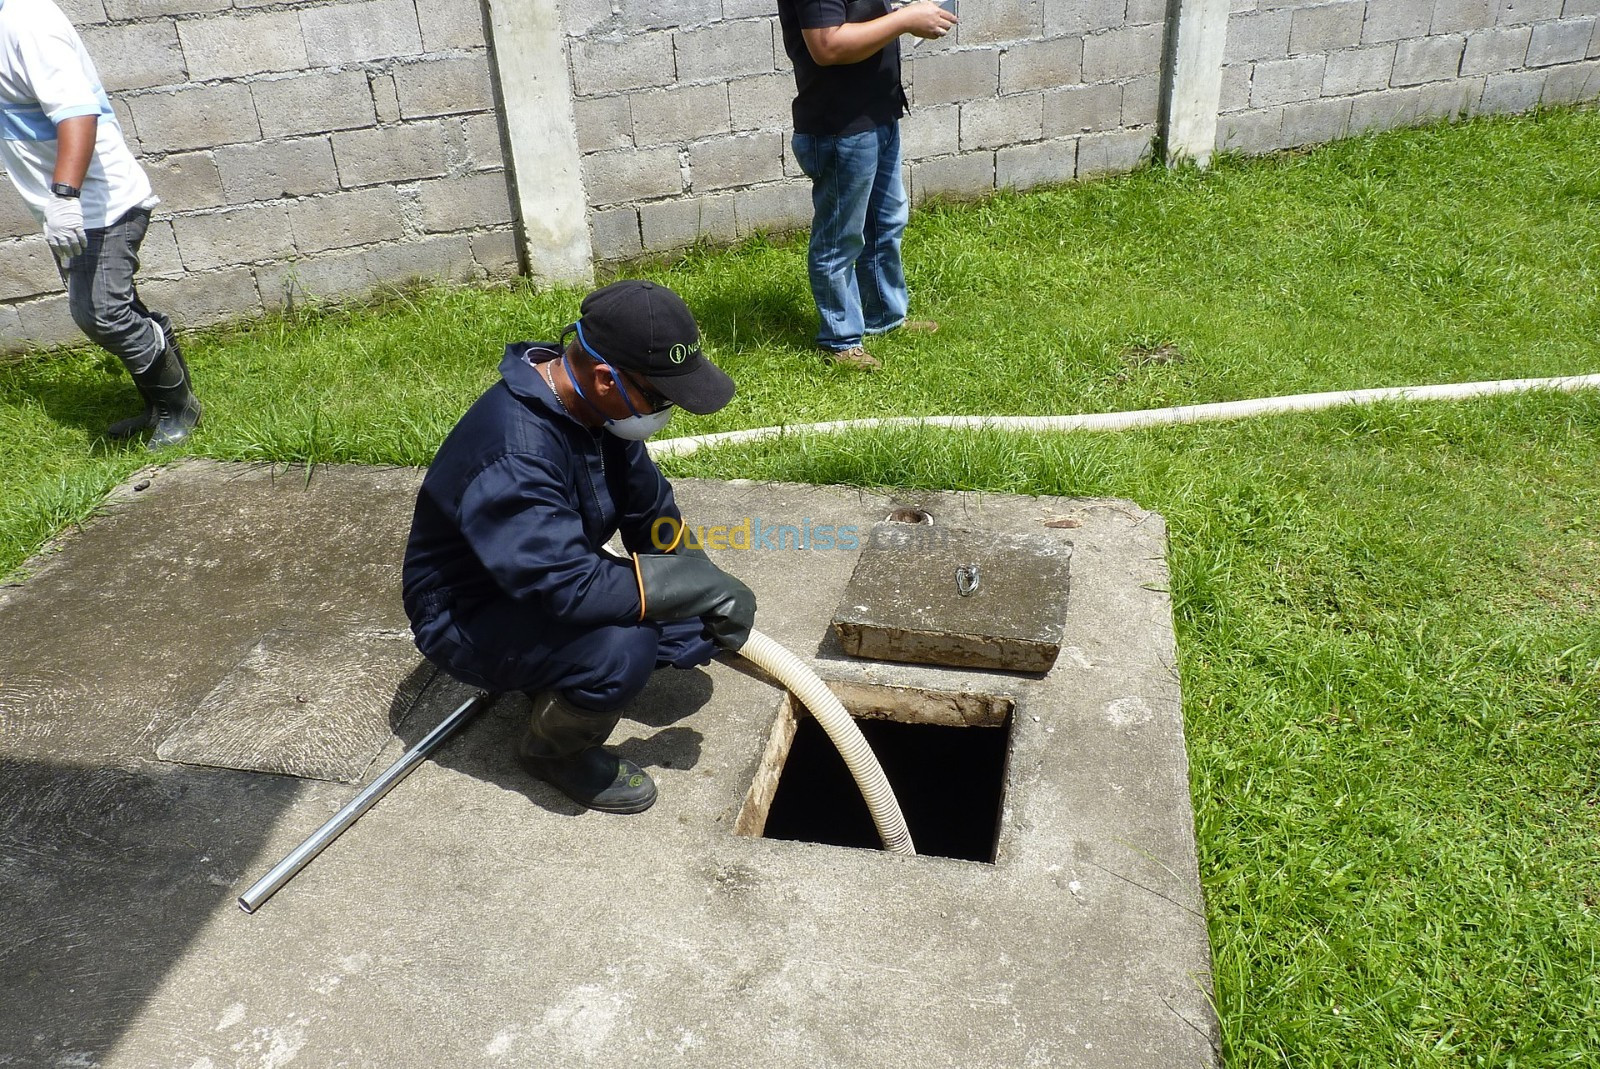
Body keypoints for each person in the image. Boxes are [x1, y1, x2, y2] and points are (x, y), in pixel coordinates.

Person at [401, 280, 757, 815]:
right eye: (659, 396)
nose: (666, 411)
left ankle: (551, 671)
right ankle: (552, 753)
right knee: (623, 651)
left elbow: (651, 512)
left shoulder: (595, 412)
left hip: (535, 576)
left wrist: (697, 580)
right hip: (466, 615)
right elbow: (569, 587)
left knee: (688, 630)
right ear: (602, 375)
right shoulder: (515, 454)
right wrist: (692, 588)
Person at [0, 0, 200, 448]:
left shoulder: (26, 22)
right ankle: (158, 403)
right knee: (113, 309)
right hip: (66, 211)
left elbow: (78, 112)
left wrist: (64, 197)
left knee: (104, 315)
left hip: (96, 206)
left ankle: (181, 407)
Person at [777, 0, 957, 371]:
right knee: (840, 238)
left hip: (878, 113)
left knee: (886, 223)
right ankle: (840, 341)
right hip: (840, 127)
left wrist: (907, 12)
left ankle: (883, 317)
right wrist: (905, 19)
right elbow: (827, 46)